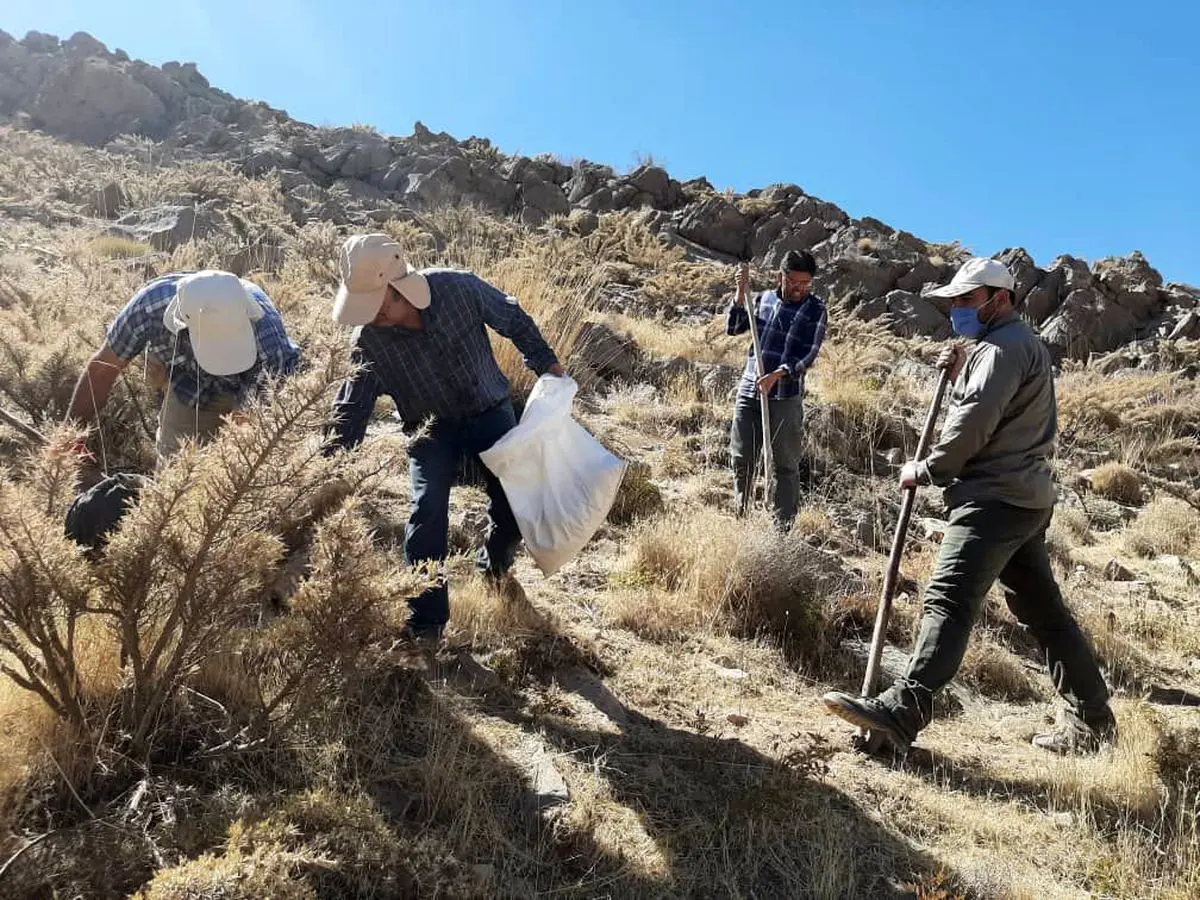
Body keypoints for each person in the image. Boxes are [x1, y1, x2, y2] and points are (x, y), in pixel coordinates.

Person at [822, 257, 1118, 756]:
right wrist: (962, 370)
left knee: (948, 600)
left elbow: (975, 422)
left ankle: (902, 710)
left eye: (966, 299)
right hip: (1025, 499)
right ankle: (1093, 722)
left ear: (999, 298)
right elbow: (993, 407)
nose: (957, 309)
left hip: (994, 498)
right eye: (954, 301)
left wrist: (930, 469)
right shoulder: (1012, 345)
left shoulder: (1001, 349)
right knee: (1046, 616)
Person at [322, 233, 566, 644]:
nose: (371, 316)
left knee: (512, 503)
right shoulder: (368, 341)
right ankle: (426, 622)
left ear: (399, 288)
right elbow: (351, 406)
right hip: (429, 430)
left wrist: (548, 365)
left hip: (491, 413)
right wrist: (331, 464)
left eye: (377, 305)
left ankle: (494, 566)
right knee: (427, 510)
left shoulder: (459, 289)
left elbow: (514, 319)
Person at [65, 270, 301, 466]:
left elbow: (247, 428)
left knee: (244, 470)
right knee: (173, 473)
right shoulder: (149, 308)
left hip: (251, 384)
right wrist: (70, 436)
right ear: (184, 328)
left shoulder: (267, 336)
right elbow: (103, 369)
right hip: (188, 381)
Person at [727, 249, 827, 530]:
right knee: (742, 456)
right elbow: (734, 327)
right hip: (750, 389)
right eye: (794, 282)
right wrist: (740, 291)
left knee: (785, 464)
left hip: (786, 394)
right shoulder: (761, 299)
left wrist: (779, 374)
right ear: (779, 276)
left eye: (805, 284)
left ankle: (782, 529)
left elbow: (808, 355)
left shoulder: (816, 310)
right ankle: (741, 515)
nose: (799, 289)